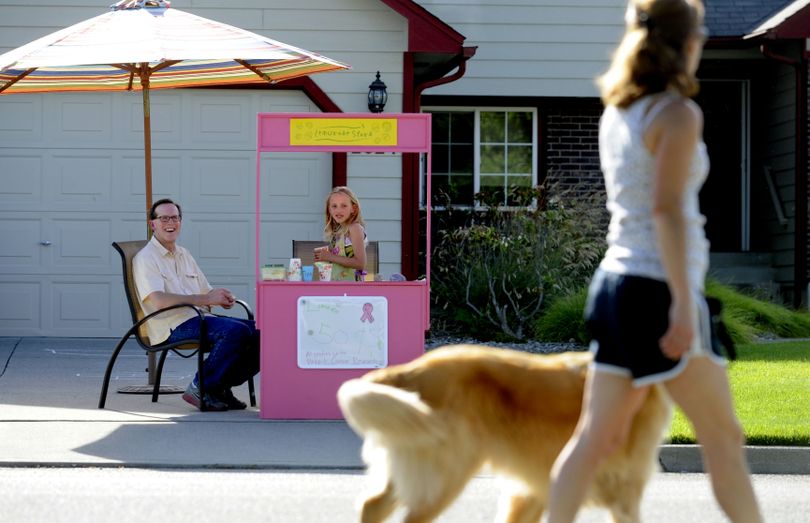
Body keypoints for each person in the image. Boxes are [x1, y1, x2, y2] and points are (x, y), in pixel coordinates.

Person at [545, 1, 763, 522]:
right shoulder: (678, 113)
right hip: (658, 289)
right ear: (686, 43)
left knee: (595, 438)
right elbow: (666, 210)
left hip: (615, 284)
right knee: (724, 439)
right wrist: (685, 306)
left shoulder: (620, 111)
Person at [133, 198, 259, 411]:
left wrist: (220, 297)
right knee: (234, 332)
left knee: (260, 333)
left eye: (174, 217)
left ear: (180, 222)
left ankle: (220, 386)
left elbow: (204, 292)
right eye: (163, 218)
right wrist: (206, 300)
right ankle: (201, 386)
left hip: (198, 317)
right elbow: (158, 301)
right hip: (170, 325)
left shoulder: (184, 254)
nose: (170, 222)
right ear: (152, 223)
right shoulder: (146, 258)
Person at [313, 186, 368, 281]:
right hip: (336, 286)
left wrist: (330, 257)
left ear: (353, 208)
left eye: (344, 206)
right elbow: (339, 257)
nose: (338, 210)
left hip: (351, 289)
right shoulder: (338, 230)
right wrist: (325, 255)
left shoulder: (354, 228)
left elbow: (360, 263)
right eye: (334, 206)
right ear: (329, 209)